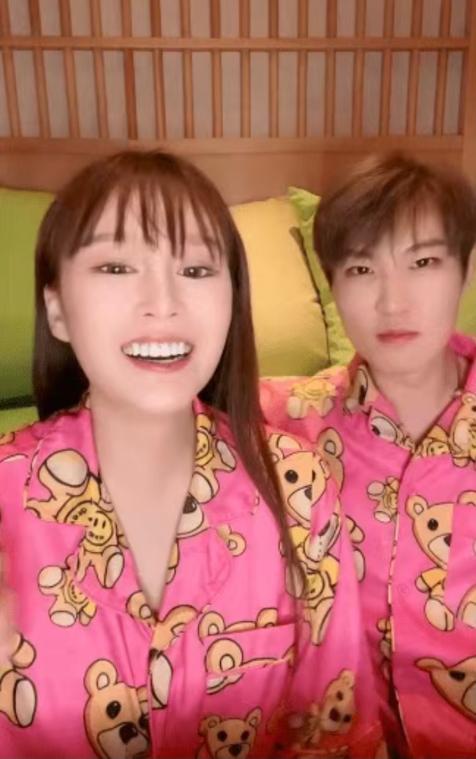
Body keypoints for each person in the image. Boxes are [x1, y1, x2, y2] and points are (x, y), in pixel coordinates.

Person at [0, 150, 382, 758]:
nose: (163, 302)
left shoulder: (297, 486)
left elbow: (335, 733)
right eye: (116, 266)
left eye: (198, 269)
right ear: (57, 310)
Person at [261, 152, 476, 759]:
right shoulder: (282, 421)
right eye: (361, 268)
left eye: (423, 262)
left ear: (464, 272)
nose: (393, 302)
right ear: (332, 285)